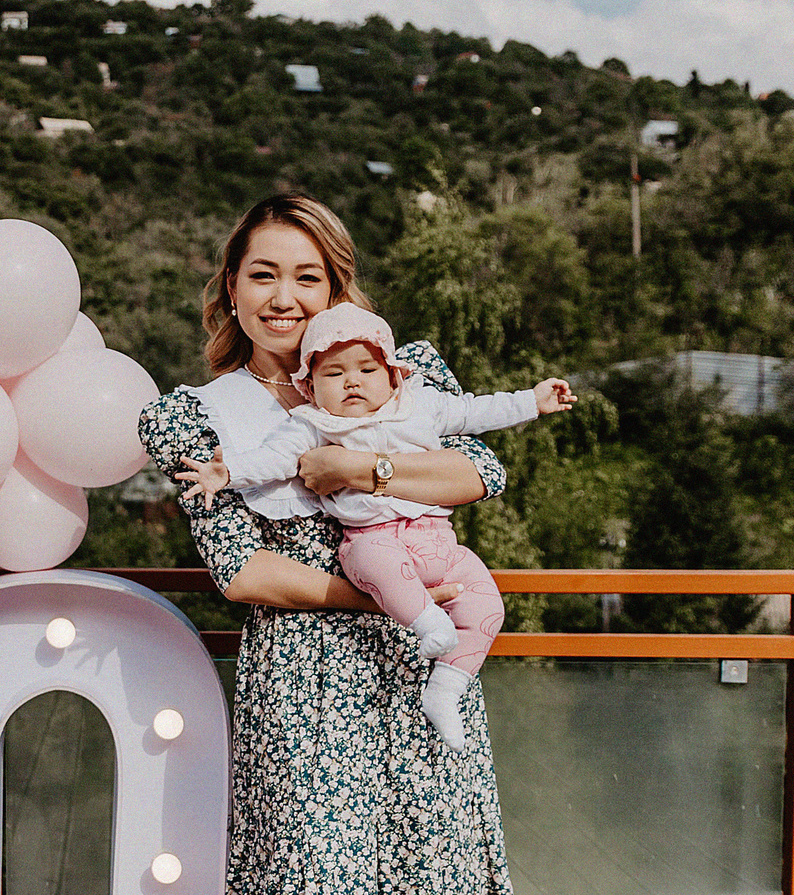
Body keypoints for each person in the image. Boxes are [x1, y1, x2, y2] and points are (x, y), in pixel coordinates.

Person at [135, 193, 536, 895]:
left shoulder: (390, 366)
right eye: (262, 276)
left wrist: (342, 477)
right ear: (229, 292)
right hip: (306, 683)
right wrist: (374, 589)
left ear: (337, 287)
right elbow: (242, 573)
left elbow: (475, 479)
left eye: (306, 277)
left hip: (417, 684)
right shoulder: (193, 416)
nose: (284, 298)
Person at [175, 303, 577, 750]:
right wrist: (224, 473)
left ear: (394, 375)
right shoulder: (312, 424)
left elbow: (474, 413)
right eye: (333, 374)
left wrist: (532, 402)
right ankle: (428, 624)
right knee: (375, 564)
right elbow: (272, 460)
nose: (352, 381)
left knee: (488, 607)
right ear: (309, 387)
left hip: (437, 542)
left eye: (367, 368)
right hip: (373, 540)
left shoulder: (421, 405)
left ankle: (446, 687)